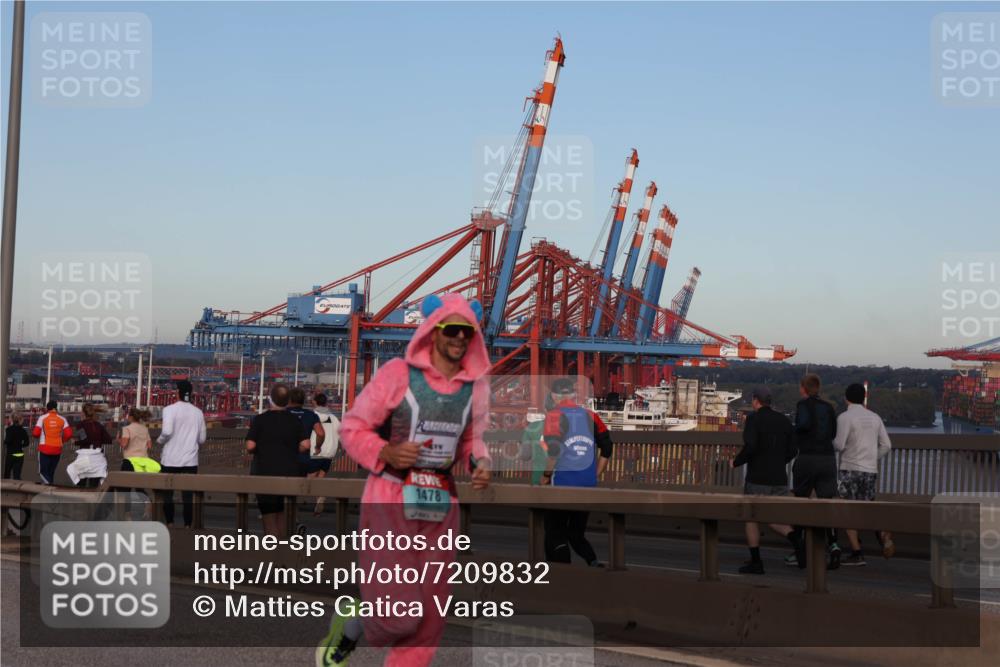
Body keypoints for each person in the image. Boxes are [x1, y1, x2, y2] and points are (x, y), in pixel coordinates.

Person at [317, 293, 491, 667]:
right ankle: (353, 625)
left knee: (429, 619)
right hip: (391, 497)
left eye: (468, 332)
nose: (461, 338)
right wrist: (386, 452)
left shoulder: (476, 388)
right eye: (453, 330)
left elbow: (473, 438)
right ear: (434, 331)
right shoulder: (398, 374)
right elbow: (352, 427)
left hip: (442, 502)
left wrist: (480, 461)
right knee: (398, 613)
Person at [731, 387, 805, 574]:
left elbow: (751, 446)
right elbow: (793, 449)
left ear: (756, 401)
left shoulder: (754, 419)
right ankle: (795, 538)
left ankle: (756, 562)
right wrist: (780, 461)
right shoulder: (784, 420)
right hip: (779, 477)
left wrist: (736, 462)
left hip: (758, 477)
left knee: (751, 518)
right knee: (773, 516)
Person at [540, 377, 613, 567]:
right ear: (573, 396)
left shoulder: (554, 416)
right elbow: (608, 447)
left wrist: (546, 476)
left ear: (555, 397)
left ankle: (562, 574)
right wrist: (596, 474)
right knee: (576, 533)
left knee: (554, 530)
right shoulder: (591, 416)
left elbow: (554, 451)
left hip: (562, 483)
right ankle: (593, 561)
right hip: (587, 485)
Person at [834, 383, 894, 565]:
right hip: (869, 471)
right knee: (867, 508)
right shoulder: (875, 417)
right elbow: (887, 445)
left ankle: (856, 552)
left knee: (847, 511)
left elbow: (839, 445)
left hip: (849, 469)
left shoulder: (845, 417)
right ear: (863, 398)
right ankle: (884, 534)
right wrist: (873, 458)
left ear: (846, 398)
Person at [245, 383, 311, 536]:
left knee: (269, 517)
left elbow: (250, 445)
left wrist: (260, 449)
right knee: (283, 516)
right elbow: (306, 444)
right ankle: (283, 553)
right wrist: (293, 449)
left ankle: (273, 554)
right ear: (287, 401)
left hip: (265, 473)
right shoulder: (295, 420)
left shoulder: (260, 420)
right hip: (289, 473)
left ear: (270, 400)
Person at [791, 373, 841, 569]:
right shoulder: (829, 408)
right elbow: (834, 433)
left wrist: (795, 433)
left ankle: (800, 552)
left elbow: (803, 425)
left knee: (801, 501)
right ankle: (834, 544)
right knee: (827, 502)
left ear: (804, 388)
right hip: (828, 459)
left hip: (808, 458)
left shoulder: (803, 405)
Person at [157, 380, 207, 528]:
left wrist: (160, 440)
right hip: (190, 461)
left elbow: (167, 432)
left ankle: (170, 523)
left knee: (167, 494)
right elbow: (202, 439)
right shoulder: (198, 412)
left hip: (170, 460)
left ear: (177, 392)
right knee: (188, 496)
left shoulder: (169, 410)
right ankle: (187, 525)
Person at [287, 387, 329, 515]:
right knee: (297, 487)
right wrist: (318, 446)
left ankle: (283, 516)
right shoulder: (311, 415)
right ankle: (293, 516)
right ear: (303, 400)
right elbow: (321, 433)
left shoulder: (282, 413)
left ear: (289, 399)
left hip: (284, 456)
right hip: (303, 458)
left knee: (283, 487)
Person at [67, 403, 112, 488]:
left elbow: (84, 440)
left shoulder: (81, 425)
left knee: (74, 471)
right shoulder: (99, 425)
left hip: (85, 457)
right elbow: (108, 440)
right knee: (94, 485)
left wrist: (75, 442)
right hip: (98, 458)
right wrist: (97, 441)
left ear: (83, 413)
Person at [311, 393, 340, 515]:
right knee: (320, 479)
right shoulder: (333, 418)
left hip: (316, 452)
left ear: (315, 402)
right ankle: (319, 500)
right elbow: (341, 433)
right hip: (329, 453)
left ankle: (320, 497)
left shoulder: (313, 416)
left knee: (310, 479)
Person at [33, 401, 72, 485]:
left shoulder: (42, 418)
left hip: (44, 448)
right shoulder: (62, 419)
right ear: (56, 407)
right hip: (57, 448)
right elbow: (69, 434)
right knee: (51, 472)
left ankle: (49, 486)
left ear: (47, 408)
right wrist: (62, 440)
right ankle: (49, 490)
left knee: (43, 472)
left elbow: (35, 433)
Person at [518, 411, 547, 485]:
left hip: (538, 477)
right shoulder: (567, 428)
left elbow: (525, 456)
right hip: (561, 478)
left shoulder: (532, 427)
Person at [3, 414, 29, 480]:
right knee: (17, 475)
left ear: (12, 420)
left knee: (7, 474)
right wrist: (20, 445)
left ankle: (6, 489)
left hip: (10, 454)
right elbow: (27, 443)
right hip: (20, 454)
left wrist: (5, 442)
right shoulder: (23, 431)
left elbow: (7, 441)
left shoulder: (9, 429)